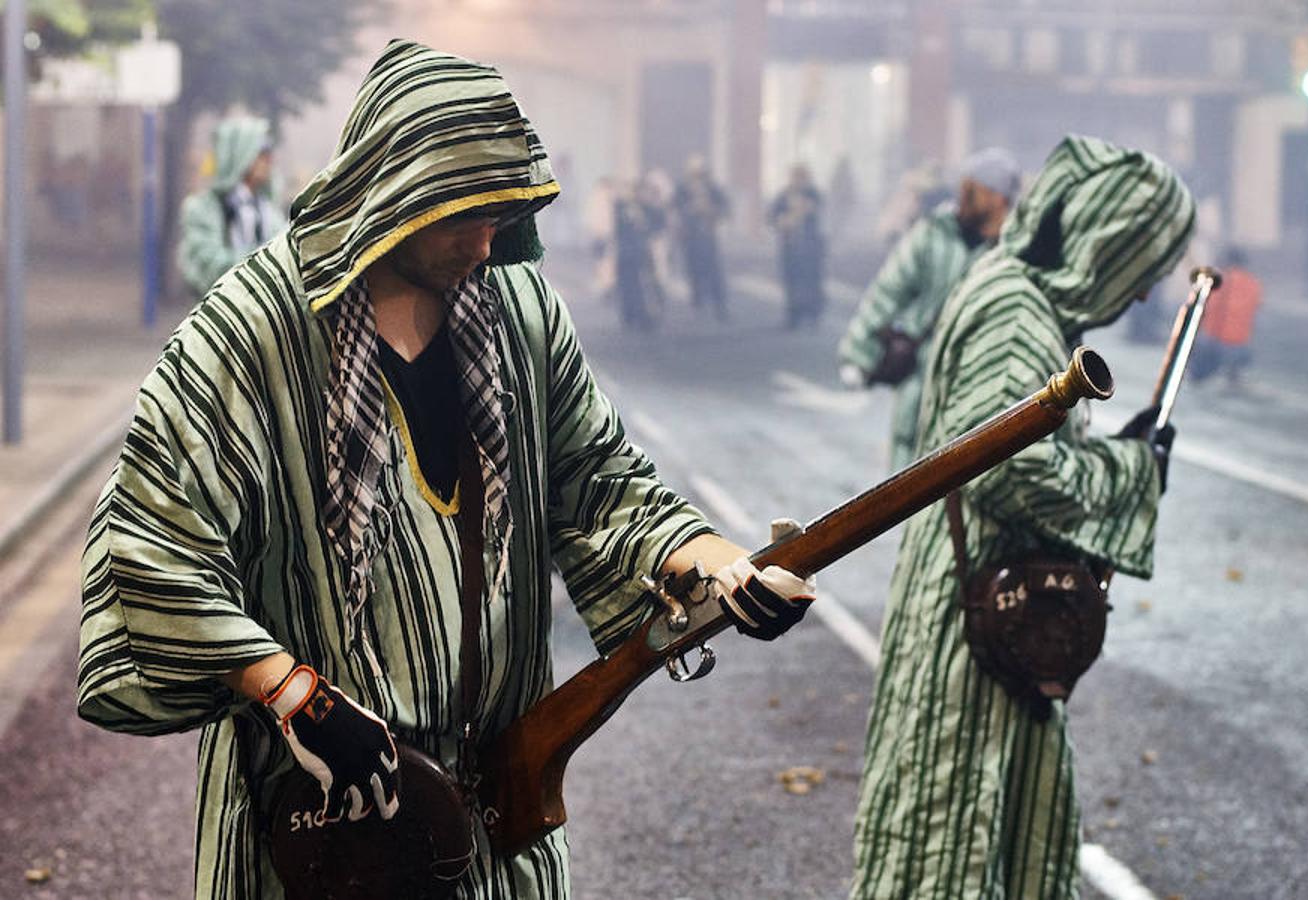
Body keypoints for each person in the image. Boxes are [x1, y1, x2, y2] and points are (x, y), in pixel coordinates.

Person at [77, 40, 816, 899]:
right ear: (396, 191)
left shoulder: (521, 309)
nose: (487, 239)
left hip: (492, 813)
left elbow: (599, 478)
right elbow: (149, 543)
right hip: (318, 832)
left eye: (501, 211)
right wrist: (294, 695)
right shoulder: (252, 332)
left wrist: (715, 565)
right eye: (464, 214)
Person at [852, 135, 1194, 899]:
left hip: (992, 614)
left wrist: (1119, 452)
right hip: (975, 619)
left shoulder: (1018, 293)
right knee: (950, 845)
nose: (1144, 294)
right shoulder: (1017, 313)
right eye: (1141, 265)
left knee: (980, 833)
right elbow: (1007, 472)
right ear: (1104, 244)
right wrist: (1133, 468)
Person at [837, 148, 1020, 470]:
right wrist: (858, 353)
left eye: (974, 189)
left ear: (997, 197)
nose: (964, 196)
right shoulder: (933, 233)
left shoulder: (1014, 249)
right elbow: (890, 290)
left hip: (980, 376)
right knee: (909, 455)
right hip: (922, 372)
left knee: (970, 462)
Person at [176, 114, 285, 299]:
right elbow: (208, 269)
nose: (269, 159)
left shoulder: (270, 212)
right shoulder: (202, 210)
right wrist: (267, 264)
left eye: (269, 151)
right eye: (262, 151)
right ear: (240, 153)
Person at [1193, 246, 1263, 389]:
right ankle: (1234, 372)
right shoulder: (1254, 284)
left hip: (1215, 343)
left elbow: (1207, 308)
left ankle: (1202, 373)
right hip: (1241, 344)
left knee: (1196, 341)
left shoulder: (1220, 280)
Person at [768, 164, 827, 329]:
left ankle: (813, 315)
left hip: (810, 248)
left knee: (811, 283)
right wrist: (782, 221)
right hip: (789, 246)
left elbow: (816, 209)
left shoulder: (813, 194)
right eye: (795, 177)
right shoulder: (783, 195)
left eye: (801, 177)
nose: (798, 180)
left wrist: (801, 211)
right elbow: (772, 216)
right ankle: (793, 316)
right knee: (791, 282)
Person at [672, 156, 730, 318]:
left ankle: (720, 304)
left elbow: (724, 206)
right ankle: (697, 302)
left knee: (714, 271)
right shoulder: (682, 188)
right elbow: (674, 207)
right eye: (693, 171)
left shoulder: (712, 187)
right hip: (690, 235)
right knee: (693, 269)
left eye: (699, 171)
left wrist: (711, 210)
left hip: (708, 234)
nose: (696, 175)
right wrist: (689, 210)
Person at [612, 179, 666, 330]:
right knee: (628, 286)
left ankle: (646, 316)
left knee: (645, 286)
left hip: (642, 252)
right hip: (627, 253)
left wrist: (644, 223)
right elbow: (618, 230)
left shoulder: (646, 208)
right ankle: (630, 315)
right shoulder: (621, 207)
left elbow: (658, 223)